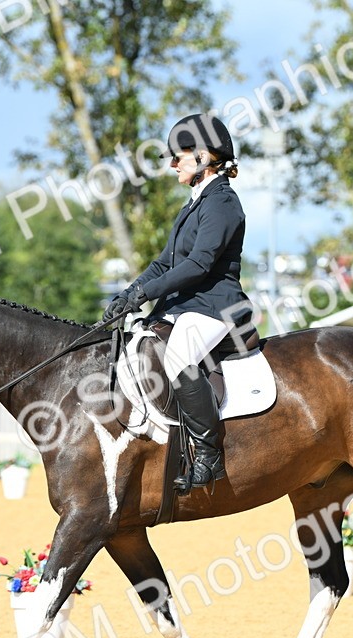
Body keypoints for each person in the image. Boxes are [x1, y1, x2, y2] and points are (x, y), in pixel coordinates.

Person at [102, 113, 249, 494]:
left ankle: (209, 455)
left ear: (203, 156)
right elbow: (163, 264)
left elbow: (199, 264)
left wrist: (145, 294)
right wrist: (129, 294)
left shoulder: (222, 203)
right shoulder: (193, 205)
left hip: (215, 305)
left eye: (178, 156)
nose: (172, 164)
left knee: (178, 358)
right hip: (185, 306)